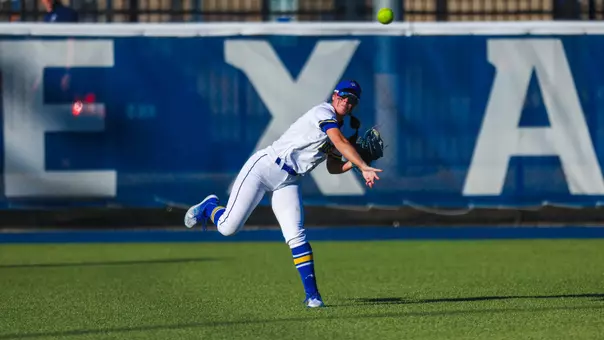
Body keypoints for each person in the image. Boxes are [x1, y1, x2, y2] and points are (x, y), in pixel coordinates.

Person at [184, 80, 383, 308]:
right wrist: (363, 164)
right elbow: (338, 141)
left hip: (289, 180)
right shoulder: (323, 112)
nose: (346, 102)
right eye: (344, 96)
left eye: (352, 100)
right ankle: (210, 206)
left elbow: (333, 167)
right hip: (264, 168)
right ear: (335, 96)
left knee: (296, 235)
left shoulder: (339, 129)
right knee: (228, 227)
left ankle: (313, 297)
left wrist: (358, 163)